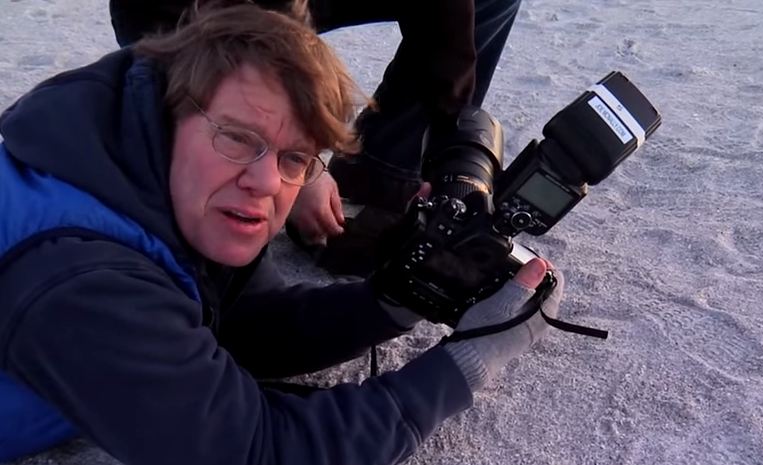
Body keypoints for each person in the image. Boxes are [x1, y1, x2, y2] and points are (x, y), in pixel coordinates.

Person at [0, 3, 564, 464]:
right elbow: (259, 451)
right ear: (168, 116)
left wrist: (396, 298)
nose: (267, 181)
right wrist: (468, 362)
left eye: (296, 158)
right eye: (237, 138)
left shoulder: (133, 176)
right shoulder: (83, 279)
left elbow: (239, 329)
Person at [108, 0, 523, 275]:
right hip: (176, 8)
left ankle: (379, 174)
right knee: (200, 98)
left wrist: (448, 137)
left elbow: (445, 18)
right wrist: (300, 166)